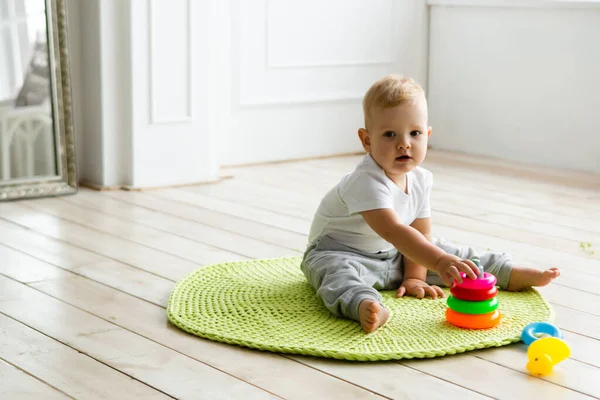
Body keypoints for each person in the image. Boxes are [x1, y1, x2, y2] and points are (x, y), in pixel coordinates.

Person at [300, 74, 560, 333]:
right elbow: (394, 231)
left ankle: (505, 273)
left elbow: (419, 232)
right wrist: (438, 262)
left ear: (427, 135)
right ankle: (363, 304)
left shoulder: (421, 179)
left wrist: (415, 277)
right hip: (339, 252)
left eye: (414, 133)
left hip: (392, 254)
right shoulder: (365, 181)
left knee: (451, 254)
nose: (404, 143)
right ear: (367, 140)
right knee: (336, 275)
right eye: (389, 134)